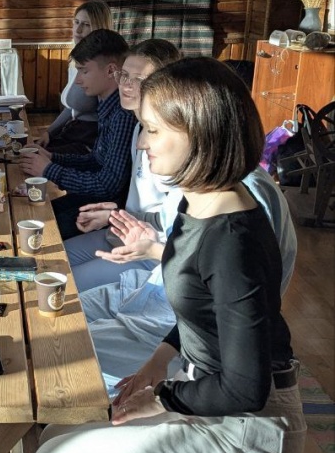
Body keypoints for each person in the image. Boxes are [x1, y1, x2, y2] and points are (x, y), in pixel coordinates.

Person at [29, 57, 306, 453]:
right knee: (63, 429)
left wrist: (161, 398)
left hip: (249, 439)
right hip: (215, 407)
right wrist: (154, 366)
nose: (142, 141)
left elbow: (245, 386)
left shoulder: (233, 234)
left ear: (199, 133)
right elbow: (201, 312)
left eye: (154, 129)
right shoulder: (204, 204)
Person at [81, 164, 298, 396]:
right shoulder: (196, 176)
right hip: (150, 290)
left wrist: (156, 251)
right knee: (64, 317)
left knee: (72, 353)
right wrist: (147, 237)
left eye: (152, 138)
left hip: (173, 321)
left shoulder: (242, 201)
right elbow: (179, 232)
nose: (144, 146)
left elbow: (224, 290)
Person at [64, 39, 181, 291]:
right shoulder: (138, 126)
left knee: (65, 286)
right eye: (124, 75)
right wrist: (115, 214)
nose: (125, 85)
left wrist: (115, 216)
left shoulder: (172, 143)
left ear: (165, 84)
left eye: (138, 79)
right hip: (121, 233)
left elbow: (177, 220)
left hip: (153, 254)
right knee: (49, 262)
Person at [20, 30, 135, 238]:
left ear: (110, 70)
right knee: (31, 214)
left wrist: (49, 170)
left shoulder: (122, 114)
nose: (78, 81)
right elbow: (95, 160)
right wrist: (53, 158)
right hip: (97, 200)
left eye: (84, 71)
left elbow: (107, 186)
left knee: (40, 230)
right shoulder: (108, 106)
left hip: (112, 212)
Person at [38, 0, 114, 154]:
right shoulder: (76, 60)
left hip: (88, 140)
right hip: (73, 131)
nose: (78, 30)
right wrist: (49, 132)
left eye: (86, 24)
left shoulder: (102, 67)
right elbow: (71, 107)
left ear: (99, 28)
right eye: (76, 22)